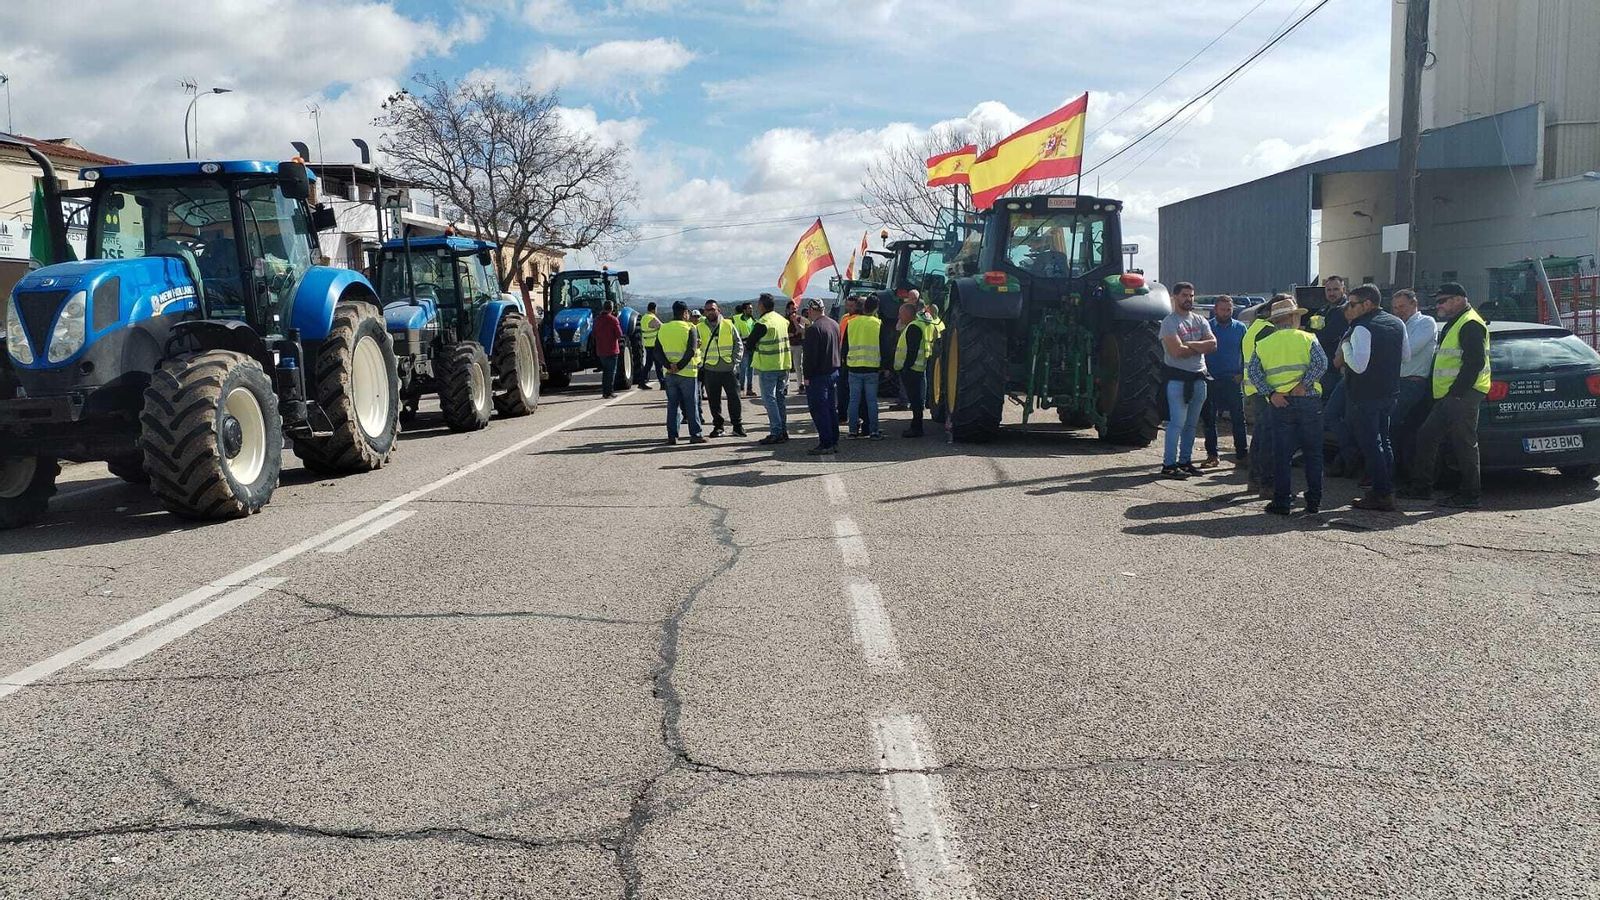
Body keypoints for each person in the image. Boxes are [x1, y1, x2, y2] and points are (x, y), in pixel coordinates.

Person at [1402, 282, 1491, 508]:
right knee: (1426, 436)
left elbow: (1475, 362)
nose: (1438, 305)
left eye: (1443, 301)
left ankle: (1470, 495)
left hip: (1462, 395)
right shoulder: (1456, 322)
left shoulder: (1470, 323)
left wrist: (1457, 393)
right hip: (1450, 395)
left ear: (1458, 299)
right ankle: (1421, 488)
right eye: (1438, 301)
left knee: (1464, 443)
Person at [1248, 297, 1329, 515]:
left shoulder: (1264, 344)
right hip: (1309, 401)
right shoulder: (1308, 338)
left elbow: (1253, 372)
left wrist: (1271, 393)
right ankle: (1314, 501)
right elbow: (1321, 363)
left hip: (1280, 403)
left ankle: (1282, 501)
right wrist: (1304, 385)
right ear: (1294, 317)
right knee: (1313, 453)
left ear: (1275, 321)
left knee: (1281, 455)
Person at [1341, 283, 1410, 511]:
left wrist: (1346, 347)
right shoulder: (1397, 323)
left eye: (1352, 304)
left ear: (1367, 304)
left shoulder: (1362, 327)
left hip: (1365, 395)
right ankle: (1386, 487)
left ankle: (1382, 493)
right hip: (1389, 392)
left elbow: (1359, 366)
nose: (1349, 308)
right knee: (1384, 442)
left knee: (1372, 445)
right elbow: (1406, 356)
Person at [1158, 282, 1217, 478]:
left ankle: (1185, 461)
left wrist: (1189, 344)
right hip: (1177, 380)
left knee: (1192, 425)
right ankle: (1169, 464)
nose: (1189, 299)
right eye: (1184, 295)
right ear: (1175, 297)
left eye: (1191, 295)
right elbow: (1176, 351)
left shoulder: (1200, 320)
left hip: (1199, 378)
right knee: (1176, 423)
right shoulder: (1169, 322)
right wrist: (1199, 346)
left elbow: (1213, 345)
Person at [1390, 288, 1437, 481]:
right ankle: (1397, 471)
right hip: (1396, 383)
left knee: (1391, 424)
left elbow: (1408, 351)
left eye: (1402, 306)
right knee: (1397, 429)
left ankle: (1395, 474)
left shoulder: (1425, 323)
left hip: (1412, 383)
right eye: (1395, 308)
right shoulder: (1398, 325)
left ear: (1414, 304)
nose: (1398, 311)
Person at [1200, 295, 1248, 467]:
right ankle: (1212, 455)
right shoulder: (1207, 327)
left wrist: (1242, 373)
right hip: (1211, 379)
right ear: (1215, 310)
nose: (1226, 313)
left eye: (1229, 310)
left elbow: (1247, 352)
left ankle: (1242, 455)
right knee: (1209, 419)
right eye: (1222, 309)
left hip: (1232, 380)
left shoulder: (1240, 328)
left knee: (1238, 419)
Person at [1242, 298, 1280, 491]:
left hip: (1254, 389)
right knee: (1268, 438)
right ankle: (1266, 482)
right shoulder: (1269, 330)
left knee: (1259, 435)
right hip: (1265, 390)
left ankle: (1255, 479)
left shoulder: (1256, 326)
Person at [744, 293, 792, 444]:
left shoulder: (763, 323)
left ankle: (776, 431)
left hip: (768, 366)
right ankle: (783, 431)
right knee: (779, 399)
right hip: (783, 364)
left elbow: (750, 343)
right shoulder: (781, 320)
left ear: (762, 306)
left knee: (769, 399)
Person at [656, 301, 705, 445]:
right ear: (685, 313)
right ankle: (695, 435)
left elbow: (657, 351)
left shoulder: (663, 328)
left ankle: (672, 436)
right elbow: (691, 350)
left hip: (670, 374)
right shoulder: (690, 327)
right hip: (687, 373)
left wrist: (669, 365)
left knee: (672, 405)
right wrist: (679, 366)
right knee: (691, 404)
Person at [697, 300, 745, 438]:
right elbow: (695, 348)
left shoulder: (728, 324)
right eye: (707, 310)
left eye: (712, 309)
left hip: (729, 369)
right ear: (704, 312)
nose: (710, 312)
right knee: (714, 401)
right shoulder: (699, 327)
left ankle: (737, 426)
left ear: (718, 310)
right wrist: (701, 363)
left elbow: (738, 344)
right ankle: (718, 427)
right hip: (710, 369)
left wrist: (735, 362)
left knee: (734, 399)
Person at [802, 298, 842, 455]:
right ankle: (834, 439)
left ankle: (826, 443)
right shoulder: (834, 324)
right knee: (831, 409)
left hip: (818, 375)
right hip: (833, 371)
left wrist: (806, 376)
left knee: (819, 410)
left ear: (811, 310)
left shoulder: (814, 329)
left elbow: (810, 357)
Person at [845, 294, 884, 440]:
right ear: (875, 309)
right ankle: (874, 431)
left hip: (854, 367)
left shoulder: (851, 323)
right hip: (872, 368)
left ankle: (852, 431)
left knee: (853, 401)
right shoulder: (877, 323)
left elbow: (845, 345)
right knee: (871, 401)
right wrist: (885, 365)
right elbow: (883, 345)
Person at [894, 301, 932, 437]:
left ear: (907, 314)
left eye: (900, 314)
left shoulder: (913, 327)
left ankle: (916, 428)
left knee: (915, 401)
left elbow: (912, 350)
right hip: (917, 368)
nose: (899, 317)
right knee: (916, 400)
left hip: (912, 370)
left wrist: (906, 367)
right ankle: (916, 426)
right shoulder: (916, 325)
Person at [836, 295, 862, 426]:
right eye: (848, 305)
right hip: (842, 357)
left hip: (854, 358)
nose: (849, 308)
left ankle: (856, 416)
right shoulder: (844, 318)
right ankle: (842, 415)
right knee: (842, 389)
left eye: (852, 306)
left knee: (853, 390)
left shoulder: (858, 319)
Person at [593, 299, 624, 399]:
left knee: (605, 371)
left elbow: (594, 333)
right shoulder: (613, 320)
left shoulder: (597, 319)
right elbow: (619, 334)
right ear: (611, 308)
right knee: (611, 372)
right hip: (612, 349)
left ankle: (605, 391)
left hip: (601, 350)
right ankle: (609, 392)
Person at [733, 301, 757, 398]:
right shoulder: (739, 320)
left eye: (751, 308)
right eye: (749, 308)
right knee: (743, 368)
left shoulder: (753, 320)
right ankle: (741, 388)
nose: (751, 310)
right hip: (744, 346)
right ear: (744, 310)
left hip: (752, 346)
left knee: (751, 369)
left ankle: (749, 389)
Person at [637, 301, 663, 389]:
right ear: (653, 309)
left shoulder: (644, 318)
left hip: (648, 344)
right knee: (658, 365)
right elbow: (662, 327)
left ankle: (641, 382)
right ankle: (662, 383)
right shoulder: (652, 318)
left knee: (648, 364)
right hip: (655, 344)